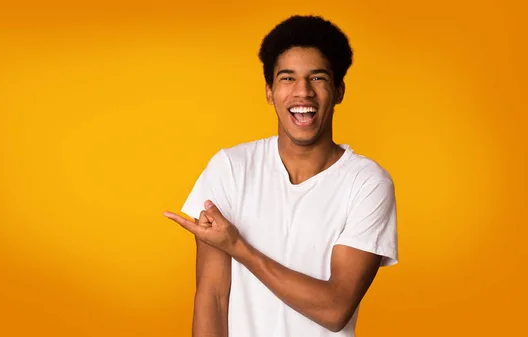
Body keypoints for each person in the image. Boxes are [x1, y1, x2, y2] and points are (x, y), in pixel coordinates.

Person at [163, 14, 398, 337]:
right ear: (269, 92)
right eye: (287, 78)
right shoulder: (231, 168)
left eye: (317, 78)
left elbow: (335, 309)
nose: (303, 92)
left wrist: (238, 247)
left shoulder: (367, 183)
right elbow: (212, 298)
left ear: (339, 90)